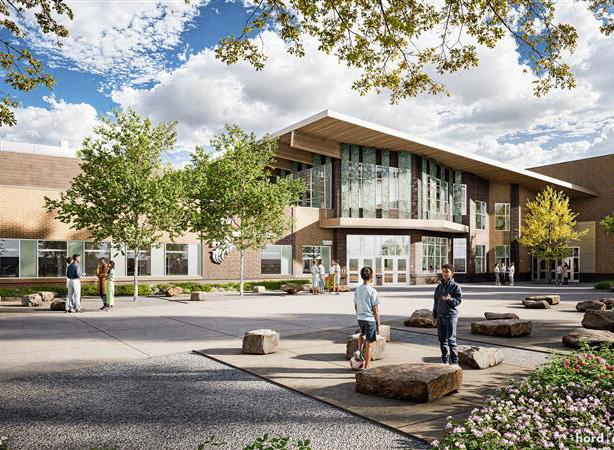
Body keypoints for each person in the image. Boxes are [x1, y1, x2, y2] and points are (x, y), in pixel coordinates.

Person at [432, 264, 462, 365]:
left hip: (450, 317)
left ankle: (455, 363)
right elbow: (436, 303)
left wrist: (450, 299)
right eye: (443, 271)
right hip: (440, 317)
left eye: (447, 272)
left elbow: (458, 301)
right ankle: (444, 362)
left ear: (452, 273)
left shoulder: (455, 286)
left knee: (451, 341)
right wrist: (434, 317)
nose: (444, 273)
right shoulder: (439, 287)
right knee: (442, 340)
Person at [353, 267, 380, 370]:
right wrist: (378, 323)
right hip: (370, 320)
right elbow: (375, 309)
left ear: (361, 276)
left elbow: (356, 305)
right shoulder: (372, 291)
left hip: (361, 318)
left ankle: (359, 350)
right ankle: (366, 369)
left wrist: (359, 315)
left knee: (362, 333)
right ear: (371, 277)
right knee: (369, 345)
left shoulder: (357, 290)